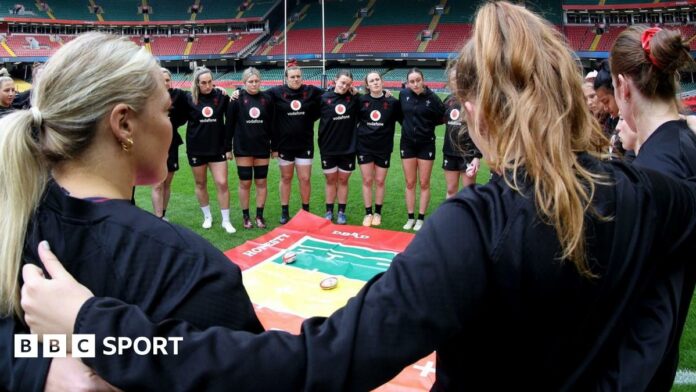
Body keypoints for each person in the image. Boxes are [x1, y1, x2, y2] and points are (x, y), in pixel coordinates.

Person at [19, 3, 696, 391]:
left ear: (480, 112)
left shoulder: (477, 228)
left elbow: (318, 363)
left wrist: (96, 328)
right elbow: (672, 206)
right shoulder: (657, 197)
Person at [0, 32, 263, 392]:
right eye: (166, 111)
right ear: (123, 123)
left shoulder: (14, 220)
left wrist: (34, 364)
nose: (170, 125)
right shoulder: (190, 268)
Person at [595, 25, 696, 390]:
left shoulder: (650, 176)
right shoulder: (682, 146)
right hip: (654, 361)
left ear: (623, 87)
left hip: (631, 370)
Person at [267, 62, 323, 224]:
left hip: (305, 144)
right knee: (286, 178)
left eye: (298, 76)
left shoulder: (311, 91)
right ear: (286, 78)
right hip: (284, 145)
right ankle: (285, 211)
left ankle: (305, 211)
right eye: (292, 77)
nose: (296, 79)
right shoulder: (276, 92)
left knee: (305, 178)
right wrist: (237, 93)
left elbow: (331, 96)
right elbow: (257, 96)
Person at [185, 67, 235, 233]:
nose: (207, 86)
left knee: (222, 183)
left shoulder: (221, 96)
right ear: (197, 84)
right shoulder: (188, 98)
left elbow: (231, 118)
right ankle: (207, 217)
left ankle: (226, 220)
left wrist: (237, 91)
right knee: (200, 183)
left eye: (210, 82)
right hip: (196, 149)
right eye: (203, 83)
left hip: (217, 148)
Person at [225, 67, 273, 229]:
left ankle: (259, 216)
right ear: (244, 83)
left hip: (262, 147)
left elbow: (272, 125)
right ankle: (246, 217)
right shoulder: (236, 99)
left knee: (261, 182)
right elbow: (229, 125)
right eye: (250, 81)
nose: (254, 84)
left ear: (260, 81)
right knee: (245, 183)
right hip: (243, 148)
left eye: (256, 81)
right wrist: (227, 148)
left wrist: (274, 146)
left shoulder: (267, 98)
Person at [399, 68, 445, 231]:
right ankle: (410, 217)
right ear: (407, 83)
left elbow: (443, 116)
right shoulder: (403, 95)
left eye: (418, 80)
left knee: (424, 183)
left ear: (423, 79)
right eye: (412, 81)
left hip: (426, 144)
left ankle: (420, 218)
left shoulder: (432, 98)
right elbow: (400, 115)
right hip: (407, 144)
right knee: (410, 182)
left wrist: (427, 126)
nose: (415, 84)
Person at [356, 71, 401, 226]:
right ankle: (368, 213)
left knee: (380, 181)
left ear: (382, 81)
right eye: (371, 81)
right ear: (367, 85)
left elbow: (404, 120)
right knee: (367, 180)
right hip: (364, 146)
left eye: (377, 79)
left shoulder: (393, 103)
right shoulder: (361, 101)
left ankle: (378, 213)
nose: (375, 82)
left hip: (383, 147)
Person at [318, 70, 359, 225]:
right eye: (342, 82)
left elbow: (370, 101)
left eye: (348, 84)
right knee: (330, 180)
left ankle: (341, 212)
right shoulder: (323, 98)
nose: (344, 86)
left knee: (343, 180)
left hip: (348, 147)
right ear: (335, 81)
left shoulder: (354, 99)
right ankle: (328, 211)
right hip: (328, 147)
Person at [151, 68, 187, 220]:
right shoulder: (148, 97)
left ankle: (163, 214)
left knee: (167, 183)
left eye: (167, 80)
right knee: (157, 184)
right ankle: (157, 217)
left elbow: (192, 101)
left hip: (171, 143)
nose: (165, 83)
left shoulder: (178, 95)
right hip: (153, 145)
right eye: (161, 79)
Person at [442, 66, 481, 198]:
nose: (456, 81)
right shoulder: (448, 100)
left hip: (468, 154)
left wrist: (476, 156)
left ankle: (469, 218)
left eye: (459, 77)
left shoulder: (473, 100)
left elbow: (480, 129)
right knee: (451, 189)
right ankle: (450, 217)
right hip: (449, 152)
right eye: (453, 78)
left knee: (468, 193)